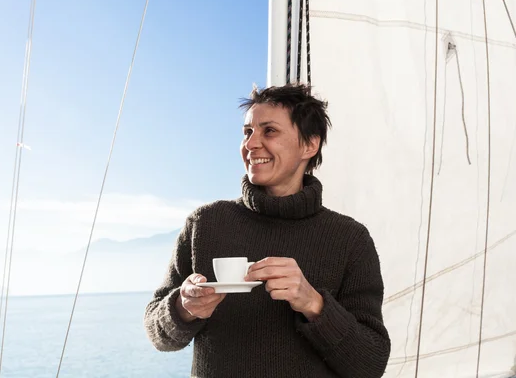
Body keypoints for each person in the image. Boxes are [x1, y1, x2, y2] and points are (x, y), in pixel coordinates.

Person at [144, 83, 391, 378]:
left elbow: (370, 364)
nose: (251, 144)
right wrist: (184, 308)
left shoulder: (350, 239)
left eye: (269, 131)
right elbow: (158, 335)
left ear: (309, 145)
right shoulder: (204, 223)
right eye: (247, 132)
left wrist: (314, 304)